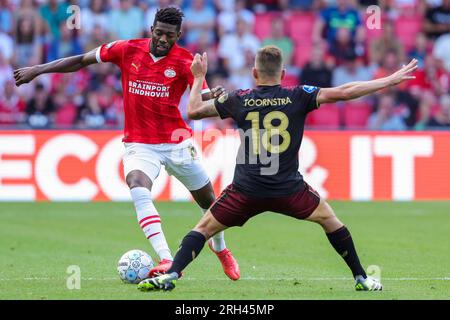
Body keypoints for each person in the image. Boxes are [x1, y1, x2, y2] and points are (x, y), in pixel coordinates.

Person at [137, 46, 418, 292]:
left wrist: (198, 77)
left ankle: (172, 273)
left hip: (245, 190)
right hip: (289, 189)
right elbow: (345, 92)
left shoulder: (240, 98)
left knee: (203, 228)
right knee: (331, 221)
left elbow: (194, 110)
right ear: (283, 74)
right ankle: (361, 277)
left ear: (254, 73)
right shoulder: (299, 95)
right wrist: (389, 80)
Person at [14, 7, 240, 280]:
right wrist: (38, 70)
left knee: (209, 202)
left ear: (178, 35)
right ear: (151, 30)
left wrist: (212, 93)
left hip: (177, 142)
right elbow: (82, 60)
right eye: (159, 33)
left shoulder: (186, 61)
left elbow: (200, 99)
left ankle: (222, 251)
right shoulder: (127, 50)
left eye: (170, 35)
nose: (163, 39)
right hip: (139, 143)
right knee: (137, 184)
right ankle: (167, 258)